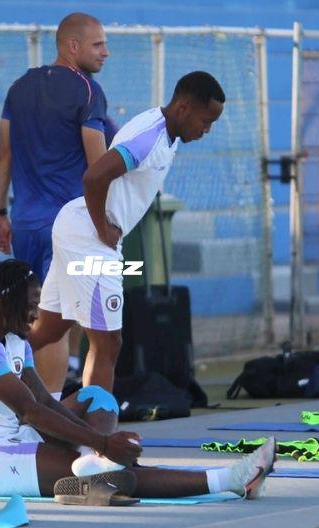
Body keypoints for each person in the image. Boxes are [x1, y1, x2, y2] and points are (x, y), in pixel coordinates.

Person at [0, 259, 274, 499]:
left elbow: (45, 401)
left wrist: (96, 443)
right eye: (30, 305)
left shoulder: (11, 333)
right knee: (108, 477)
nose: (36, 314)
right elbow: (30, 411)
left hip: (10, 435)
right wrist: (104, 444)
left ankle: (99, 464)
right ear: (6, 303)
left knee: (97, 397)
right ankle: (231, 480)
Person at [28, 71, 225, 394]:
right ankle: (96, 436)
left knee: (47, 330)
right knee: (108, 342)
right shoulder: (149, 139)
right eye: (206, 120)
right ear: (184, 108)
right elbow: (94, 177)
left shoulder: (166, 132)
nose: (207, 129)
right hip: (88, 238)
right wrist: (101, 227)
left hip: (77, 231)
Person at [0, 12, 112, 397]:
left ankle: (35, 403)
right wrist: (107, 221)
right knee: (56, 321)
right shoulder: (88, 91)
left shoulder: (19, 88)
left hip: (25, 222)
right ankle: (52, 414)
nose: (106, 53)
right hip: (69, 224)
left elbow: (4, 155)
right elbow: (99, 168)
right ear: (72, 46)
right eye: (98, 44)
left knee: (35, 316)